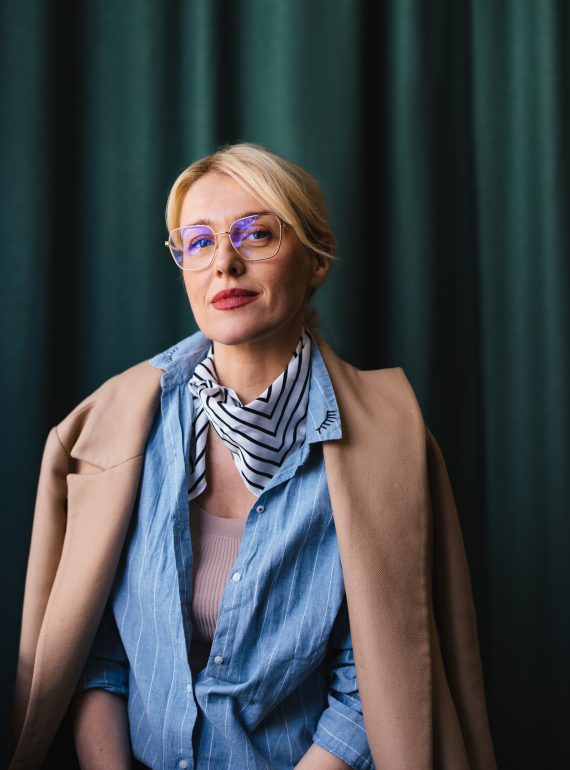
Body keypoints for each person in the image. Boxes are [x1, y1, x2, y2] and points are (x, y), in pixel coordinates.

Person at [10, 143, 497, 770]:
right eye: (200, 241)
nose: (226, 264)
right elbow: (99, 654)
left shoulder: (388, 447)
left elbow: (375, 688)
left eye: (256, 234)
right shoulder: (116, 432)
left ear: (316, 258)